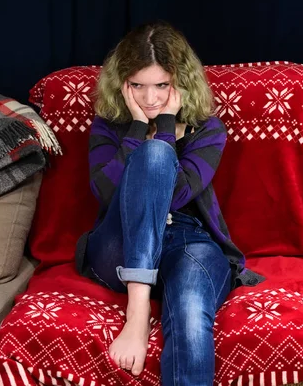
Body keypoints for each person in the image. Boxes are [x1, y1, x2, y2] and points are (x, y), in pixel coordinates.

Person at [74, 21, 264, 386]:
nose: (150, 99)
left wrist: (163, 129)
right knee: (156, 156)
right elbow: (107, 194)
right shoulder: (108, 126)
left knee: (192, 312)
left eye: (162, 85)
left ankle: (142, 303)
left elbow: (177, 195)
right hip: (120, 245)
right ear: (122, 85)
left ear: (181, 82)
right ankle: (138, 309)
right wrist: (134, 131)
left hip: (187, 241)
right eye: (138, 86)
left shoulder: (207, 129)